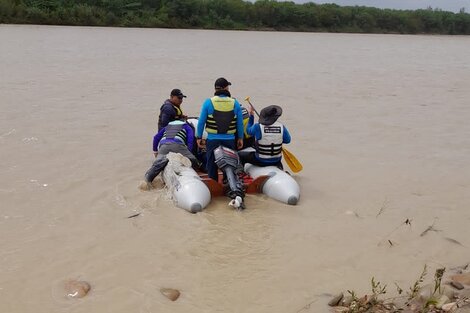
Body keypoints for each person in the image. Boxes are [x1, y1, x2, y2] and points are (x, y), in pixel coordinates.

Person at [196, 77, 244, 181]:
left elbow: (201, 122)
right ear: (226, 89)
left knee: (211, 163)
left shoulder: (208, 102)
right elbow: (239, 123)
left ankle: (213, 182)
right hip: (229, 140)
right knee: (230, 164)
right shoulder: (235, 103)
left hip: (213, 140)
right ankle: (228, 182)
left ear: (215, 89)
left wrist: (198, 137)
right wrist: (240, 138)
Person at [141, 120, 199, 190]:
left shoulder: (167, 127)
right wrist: (188, 152)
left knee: (157, 164)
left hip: (163, 146)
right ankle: (180, 158)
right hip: (178, 145)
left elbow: (156, 138)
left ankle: (147, 180)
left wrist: (155, 151)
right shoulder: (187, 127)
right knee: (194, 160)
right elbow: (190, 140)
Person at [239, 104, 291, 169]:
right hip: (276, 160)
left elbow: (248, 131)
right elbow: (288, 140)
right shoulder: (282, 127)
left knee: (240, 155)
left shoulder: (258, 126)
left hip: (261, 160)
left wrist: (251, 116)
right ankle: (280, 167)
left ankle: (240, 174)